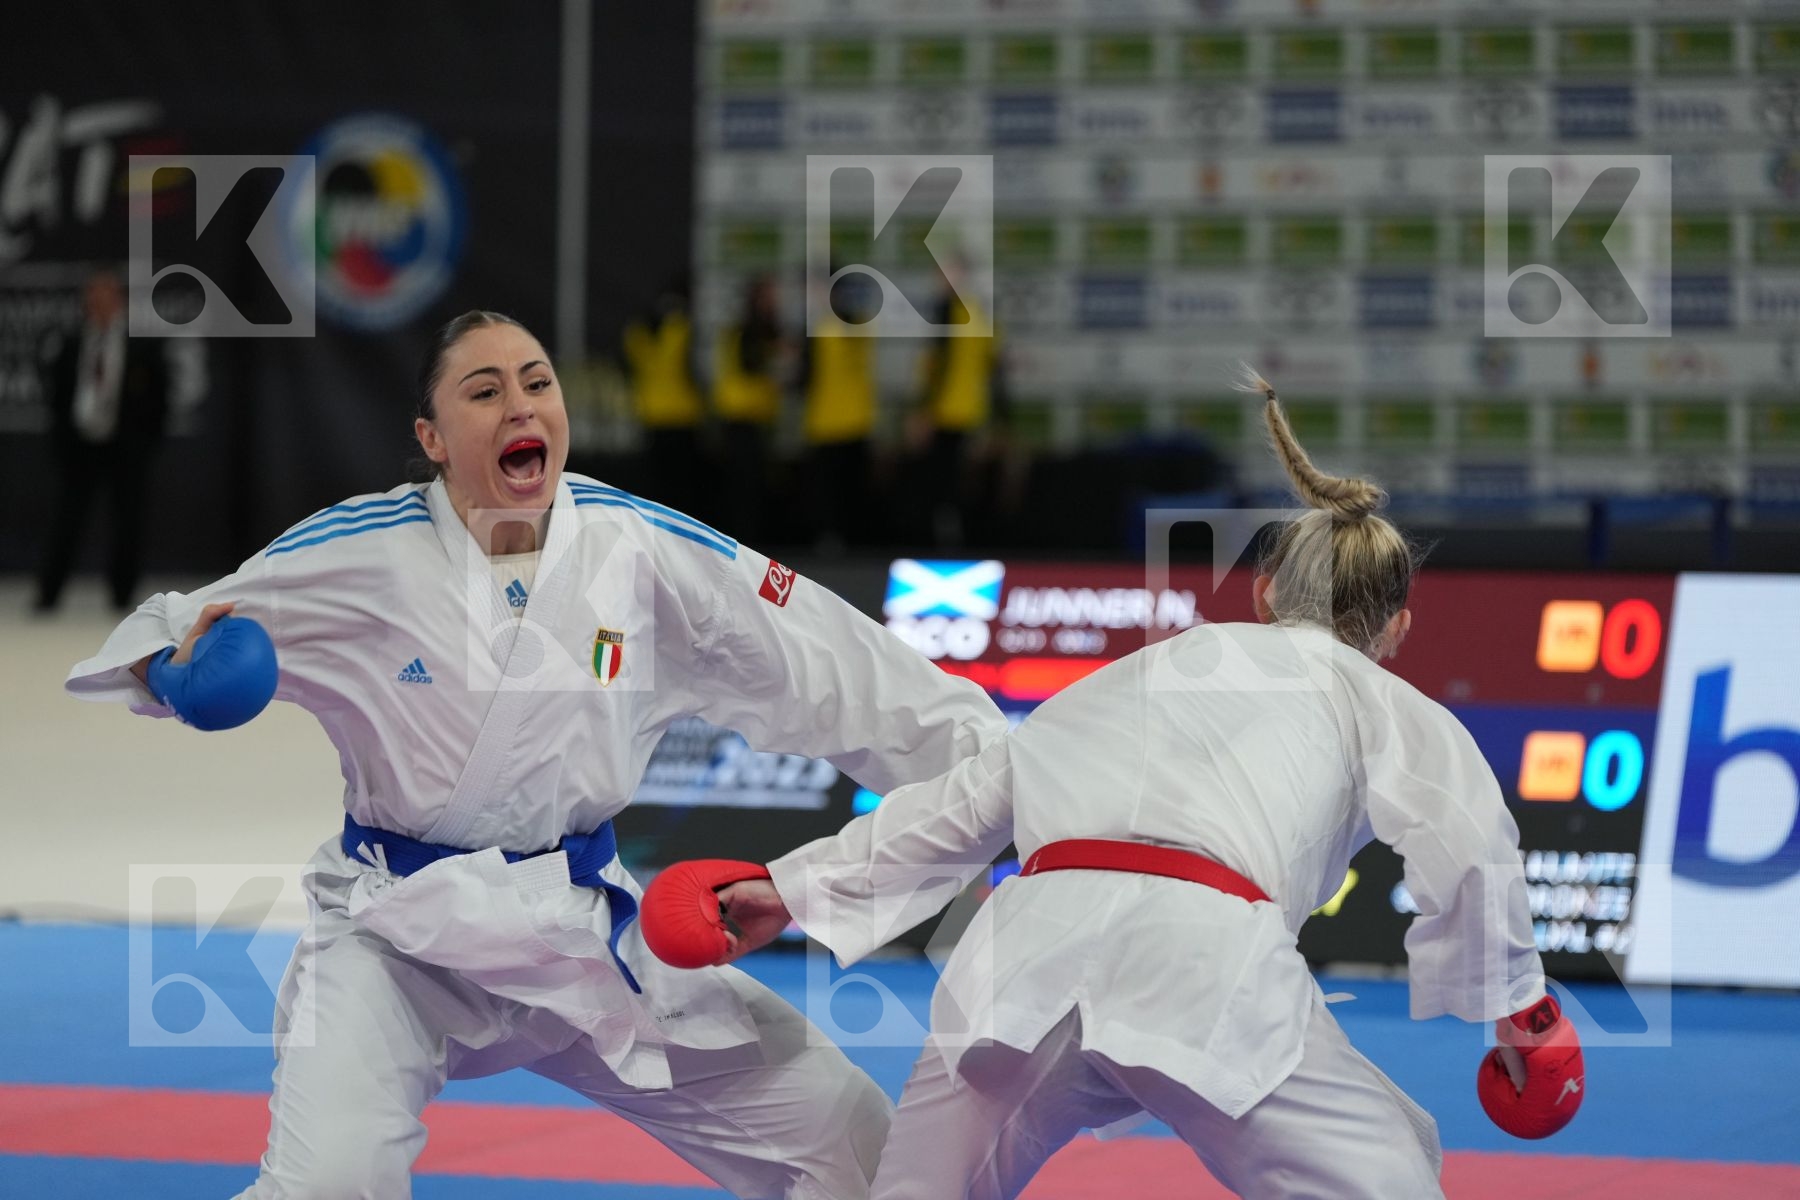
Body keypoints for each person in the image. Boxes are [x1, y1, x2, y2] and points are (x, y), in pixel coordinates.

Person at [66, 310, 1008, 1199]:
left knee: (854, 1141)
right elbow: (168, 626)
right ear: (432, 438)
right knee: (326, 1184)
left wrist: (996, 772)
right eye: (483, 392)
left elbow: (828, 664)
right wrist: (177, 669)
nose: (520, 405)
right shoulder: (361, 550)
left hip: (579, 926)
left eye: (537, 382)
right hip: (396, 933)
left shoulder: (638, 545)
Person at [652, 368, 1579, 1199]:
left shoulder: (1119, 680)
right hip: (1202, 967)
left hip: (1022, 963)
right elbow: (1469, 841)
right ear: (1399, 627)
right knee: (1388, 1180)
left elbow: (960, 807)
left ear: (1260, 594)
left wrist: (789, 890)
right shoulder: (1377, 694)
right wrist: (1521, 1014)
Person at [36, 266, 171, 613]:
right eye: (92, 297)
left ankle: (122, 597)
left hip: (125, 448)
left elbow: (160, 400)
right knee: (67, 521)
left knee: (128, 522)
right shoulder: (69, 342)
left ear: (120, 301)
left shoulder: (143, 346)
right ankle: (49, 595)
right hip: (80, 447)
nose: (99, 303)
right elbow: (56, 397)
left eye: (106, 296)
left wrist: (144, 444)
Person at [798, 274, 879, 550]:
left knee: (828, 500)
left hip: (827, 423)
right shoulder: (860, 324)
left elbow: (803, 378)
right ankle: (855, 552)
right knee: (853, 497)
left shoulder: (819, 328)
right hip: (858, 421)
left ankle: (832, 552)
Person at [622, 275, 704, 518]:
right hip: (683, 414)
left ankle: (655, 526)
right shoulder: (682, 328)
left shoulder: (637, 332)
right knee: (682, 483)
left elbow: (628, 370)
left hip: (651, 412)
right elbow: (693, 371)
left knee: (657, 480)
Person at [711, 274, 784, 541]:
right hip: (740, 419)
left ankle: (746, 539)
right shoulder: (749, 332)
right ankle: (742, 540)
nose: (775, 303)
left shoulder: (752, 331)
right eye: (769, 297)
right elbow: (750, 363)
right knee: (743, 488)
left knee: (751, 487)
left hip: (752, 419)